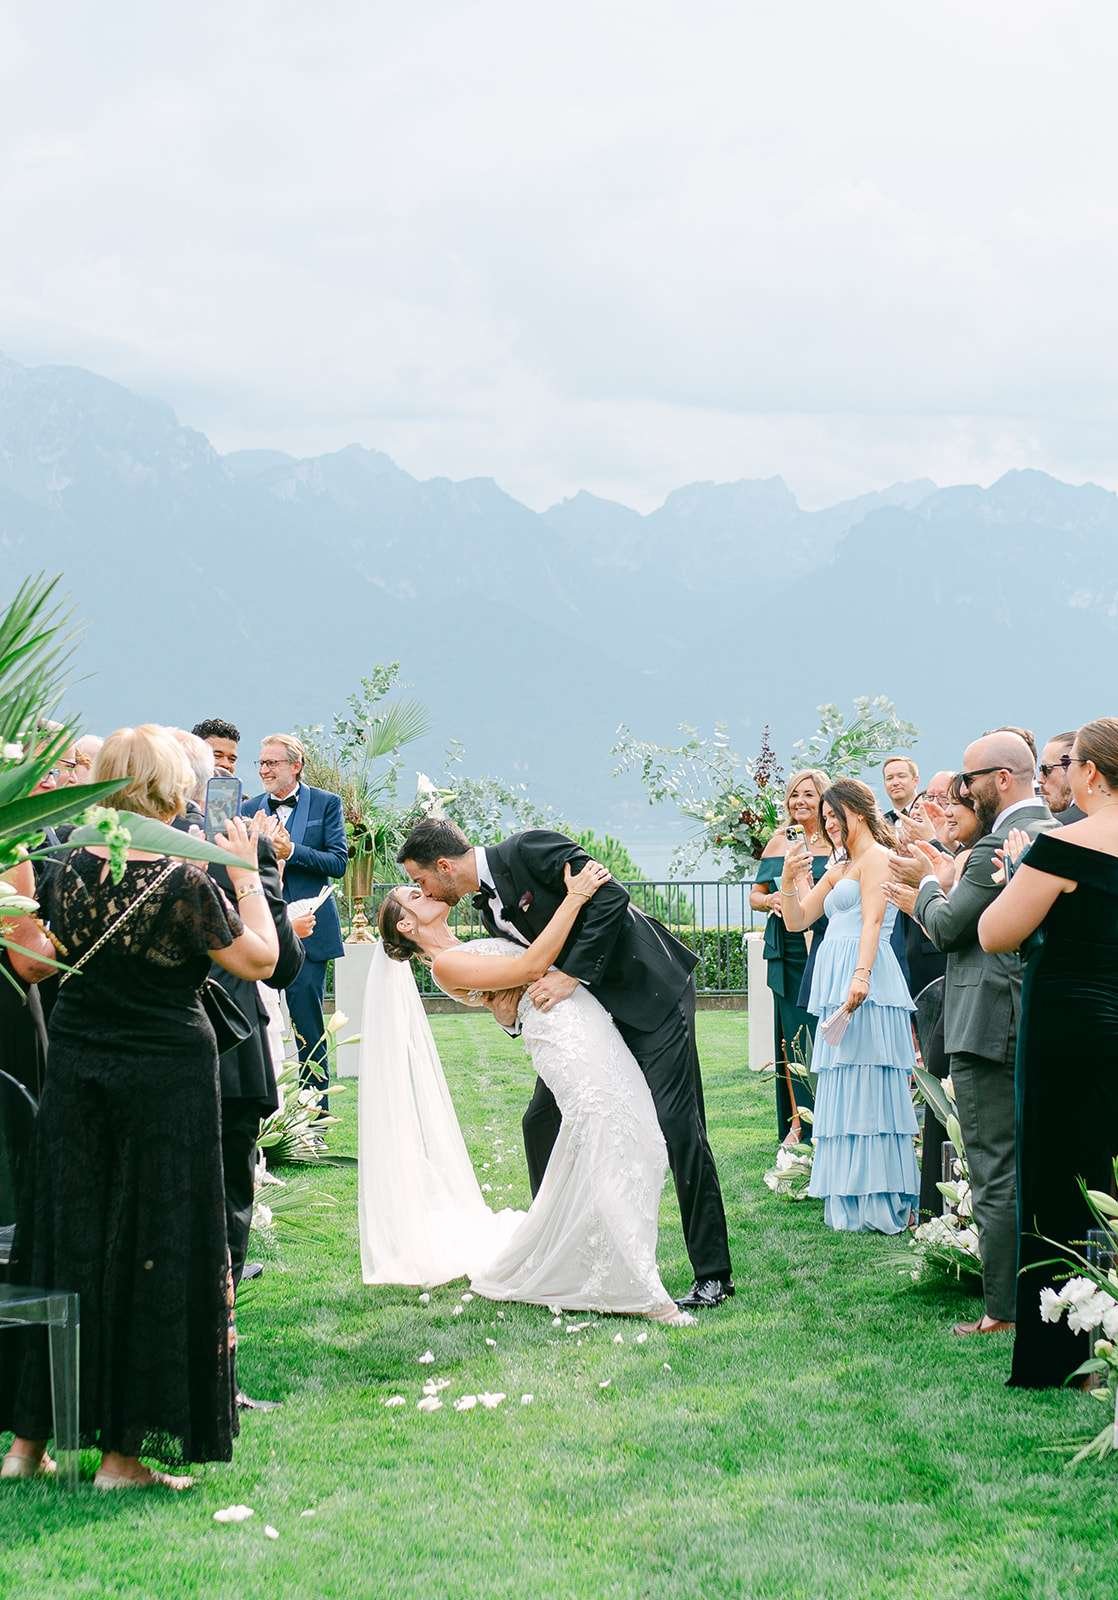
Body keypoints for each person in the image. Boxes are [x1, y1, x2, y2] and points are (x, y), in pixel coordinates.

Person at [0, 724, 279, 1490]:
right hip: (164, 1076)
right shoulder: (186, 880)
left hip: (80, 1067)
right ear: (172, 787)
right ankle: (123, 1458)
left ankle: (26, 1446)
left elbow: (27, 961)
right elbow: (262, 959)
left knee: (64, 1238)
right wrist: (248, 876)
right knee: (154, 1247)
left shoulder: (64, 865)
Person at [396, 819, 733, 1310]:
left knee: (679, 1126)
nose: (421, 889)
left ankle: (713, 1274)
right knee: (540, 1121)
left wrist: (572, 974)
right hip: (589, 1022)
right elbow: (516, 978)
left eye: (421, 880)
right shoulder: (488, 911)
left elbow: (611, 897)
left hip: (648, 995)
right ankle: (556, 1248)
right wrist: (509, 1013)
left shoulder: (530, 848)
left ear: (444, 866)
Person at [886, 731, 1054, 1336]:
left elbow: (952, 927)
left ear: (1001, 778)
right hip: (1029, 1018)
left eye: (968, 778)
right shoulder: (1054, 830)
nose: (961, 789)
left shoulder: (997, 848)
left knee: (992, 1166)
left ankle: (1003, 1310)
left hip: (988, 1023)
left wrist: (927, 887)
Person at [978, 717, 1118, 1388]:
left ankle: (1068, 1356)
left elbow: (995, 932)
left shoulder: (1063, 846)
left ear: (1091, 773)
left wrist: (1017, 877)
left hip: (1070, 1030)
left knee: (1062, 1180)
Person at [779, 779, 918, 1233]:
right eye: (826, 817)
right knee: (842, 1081)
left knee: (870, 1082)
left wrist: (861, 976)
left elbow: (874, 920)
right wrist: (789, 879)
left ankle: (878, 1198)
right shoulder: (843, 864)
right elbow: (800, 917)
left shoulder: (876, 858)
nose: (829, 824)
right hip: (835, 975)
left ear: (856, 812)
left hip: (868, 977)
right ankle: (849, 1196)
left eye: (834, 815)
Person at [243, 734, 347, 1105]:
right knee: (257, 1023)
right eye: (261, 763)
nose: (264, 770)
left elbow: (338, 862)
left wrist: (294, 851)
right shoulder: (248, 808)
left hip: (309, 931)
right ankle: (268, 1112)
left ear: (296, 766)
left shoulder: (326, 804)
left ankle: (315, 1115)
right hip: (260, 929)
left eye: (272, 763)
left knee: (308, 1025)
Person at [750, 768, 831, 1145]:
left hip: (825, 943)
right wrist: (772, 900)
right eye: (795, 795)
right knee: (793, 1035)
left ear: (823, 799)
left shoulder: (836, 839)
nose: (800, 801)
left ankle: (830, 1118)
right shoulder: (780, 841)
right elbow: (756, 895)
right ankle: (799, 1123)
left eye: (809, 795)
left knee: (825, 1032)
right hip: (788, 948)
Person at [1038, 730, 1085, 824]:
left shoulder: (1059, 827)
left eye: (1047, 769)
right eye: (1040, 769)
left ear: (1072, 767)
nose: (1040, 780)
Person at [882, 756, 920, 825]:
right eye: (889, 778)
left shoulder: (931, 814)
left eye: (901, 776)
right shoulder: (881, 823)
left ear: (915, 781)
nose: (895, 783)